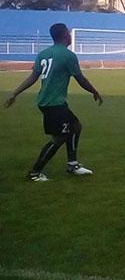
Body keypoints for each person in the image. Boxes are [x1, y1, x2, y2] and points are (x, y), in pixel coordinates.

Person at [4, 23, 103, 181]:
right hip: (54, 104)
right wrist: (95, 91)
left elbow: (32, 77)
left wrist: (15, 93)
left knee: (75, 126)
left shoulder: (44, 54)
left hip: (46, 102)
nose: (71, 36)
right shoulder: (67, 55)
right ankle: (35, 173)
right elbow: (81, 79)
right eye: (69, 33)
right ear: (65, 36)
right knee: (59, 138)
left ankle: (72, 164)